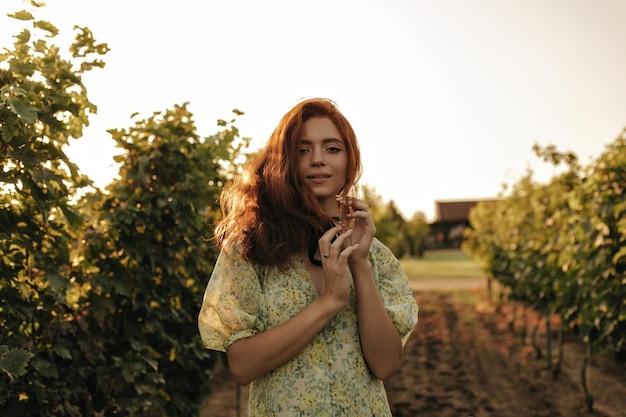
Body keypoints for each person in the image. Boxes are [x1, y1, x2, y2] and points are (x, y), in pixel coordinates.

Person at [198, 98, 418, 416]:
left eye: (332, 148)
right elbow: (242, 366)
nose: (318, 160)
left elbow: (384, 365)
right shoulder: (251, 247)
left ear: (349, 160)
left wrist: (361, 265)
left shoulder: (375, 255)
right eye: (303, 150)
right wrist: (329, 302)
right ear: (287, 160)